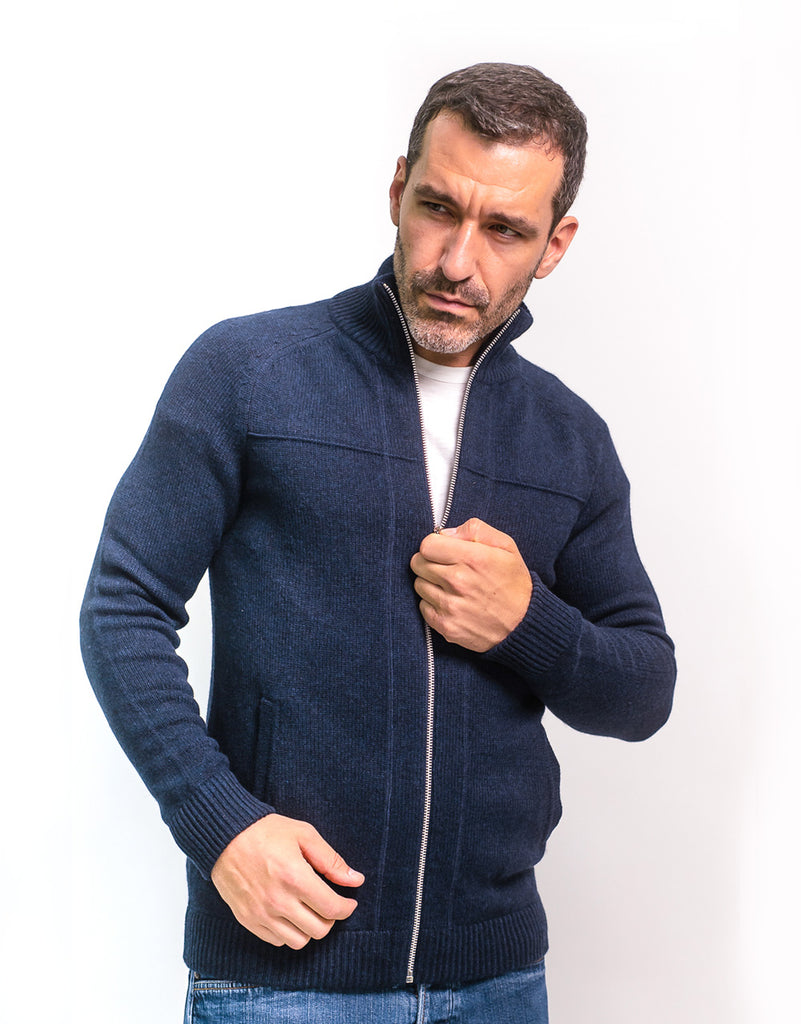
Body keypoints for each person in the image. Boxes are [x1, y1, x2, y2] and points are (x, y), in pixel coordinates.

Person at [80, 62, 676, 1023]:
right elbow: (124, 604)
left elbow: (643, 690)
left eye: (504, 230)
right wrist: (220, 826)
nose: (457, 261)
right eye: (438, 208)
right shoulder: (248, 372)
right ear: (398, 189)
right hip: (279, 979)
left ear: (554, 244)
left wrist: (528, 623)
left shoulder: (569, 439)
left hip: (495, 981)